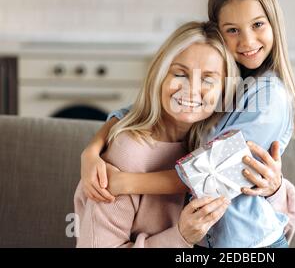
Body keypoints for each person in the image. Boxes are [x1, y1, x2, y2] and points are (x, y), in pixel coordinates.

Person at [81, 0, 295, 248]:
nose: (247, 41)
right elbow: (141, 108)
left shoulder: (269, 96)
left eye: (258, 24)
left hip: (249, 243)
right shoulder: (233, 84)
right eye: (233, 30)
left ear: (274, 23)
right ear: (219, 33)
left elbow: (211, 172)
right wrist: (91, 150)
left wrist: (125, 183)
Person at [74, 21, 240, 247]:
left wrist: (275, 188)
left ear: (224, 90)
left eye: (208, 79)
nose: (191, 89)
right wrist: (180, 237)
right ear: (159, 76)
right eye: (180, 74)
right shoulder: (126, 154)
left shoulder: (213, 147)